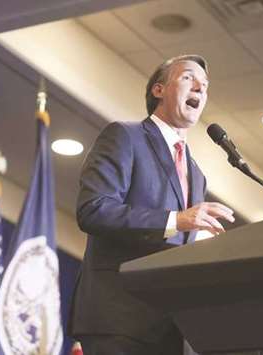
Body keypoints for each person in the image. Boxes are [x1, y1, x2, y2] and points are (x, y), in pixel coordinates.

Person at [68, 54, 235, 355]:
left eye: (205, 85)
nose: (200, 87)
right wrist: (176, 220)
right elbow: (93, 209)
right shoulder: (124, 136)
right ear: (158, 90)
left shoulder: (197, 175)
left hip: (173, 330)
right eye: (188, 77)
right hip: (119, 318)